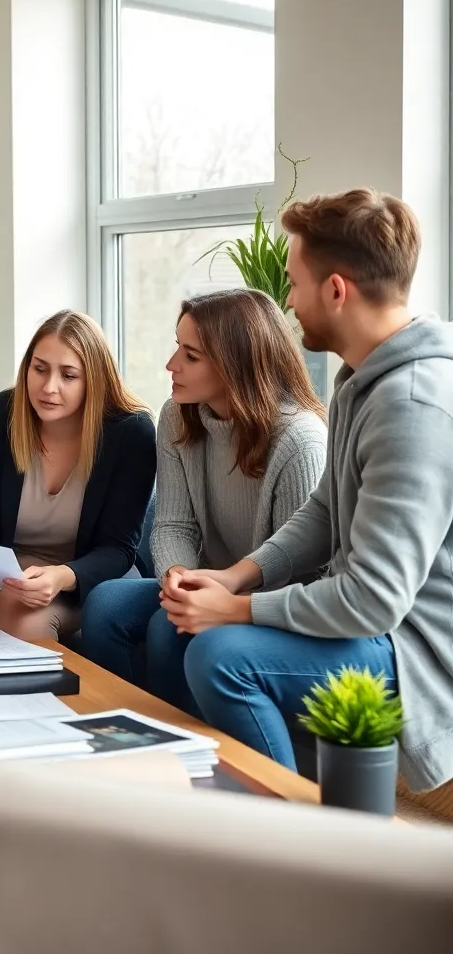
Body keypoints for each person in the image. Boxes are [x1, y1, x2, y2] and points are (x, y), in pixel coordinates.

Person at [159, 189, 453, 792]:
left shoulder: (411, 404)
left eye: (294, 284)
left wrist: (236, 609)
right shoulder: (363, 380)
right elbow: (324, 510)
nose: (288, 301)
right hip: (374, 628)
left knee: (220, 657)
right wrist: (235, 577)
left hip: (413, 651)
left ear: (336, 290)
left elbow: (373, 600)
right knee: (180, 631)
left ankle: (288, 834)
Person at [80, 289, 327, 705]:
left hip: (272, 602)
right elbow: (174, 524)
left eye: (190, 355)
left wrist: (219, 601)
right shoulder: (177, 415)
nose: (171, 364)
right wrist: (178, 577)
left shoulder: (299, 441)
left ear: (236, 364)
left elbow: (304, 572)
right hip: (206, 582)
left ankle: (182, 741)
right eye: (178, 346)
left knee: (167, 627)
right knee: (105, 603)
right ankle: (113, 727)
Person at [0, 310, 156, 641]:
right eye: (40, 369)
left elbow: (118, 548)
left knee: (19, 613)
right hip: (2, 570)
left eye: (68, 375)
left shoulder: (131, 433)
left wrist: (62, 576)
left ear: (95, 379)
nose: (49, 387)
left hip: (85, 576)